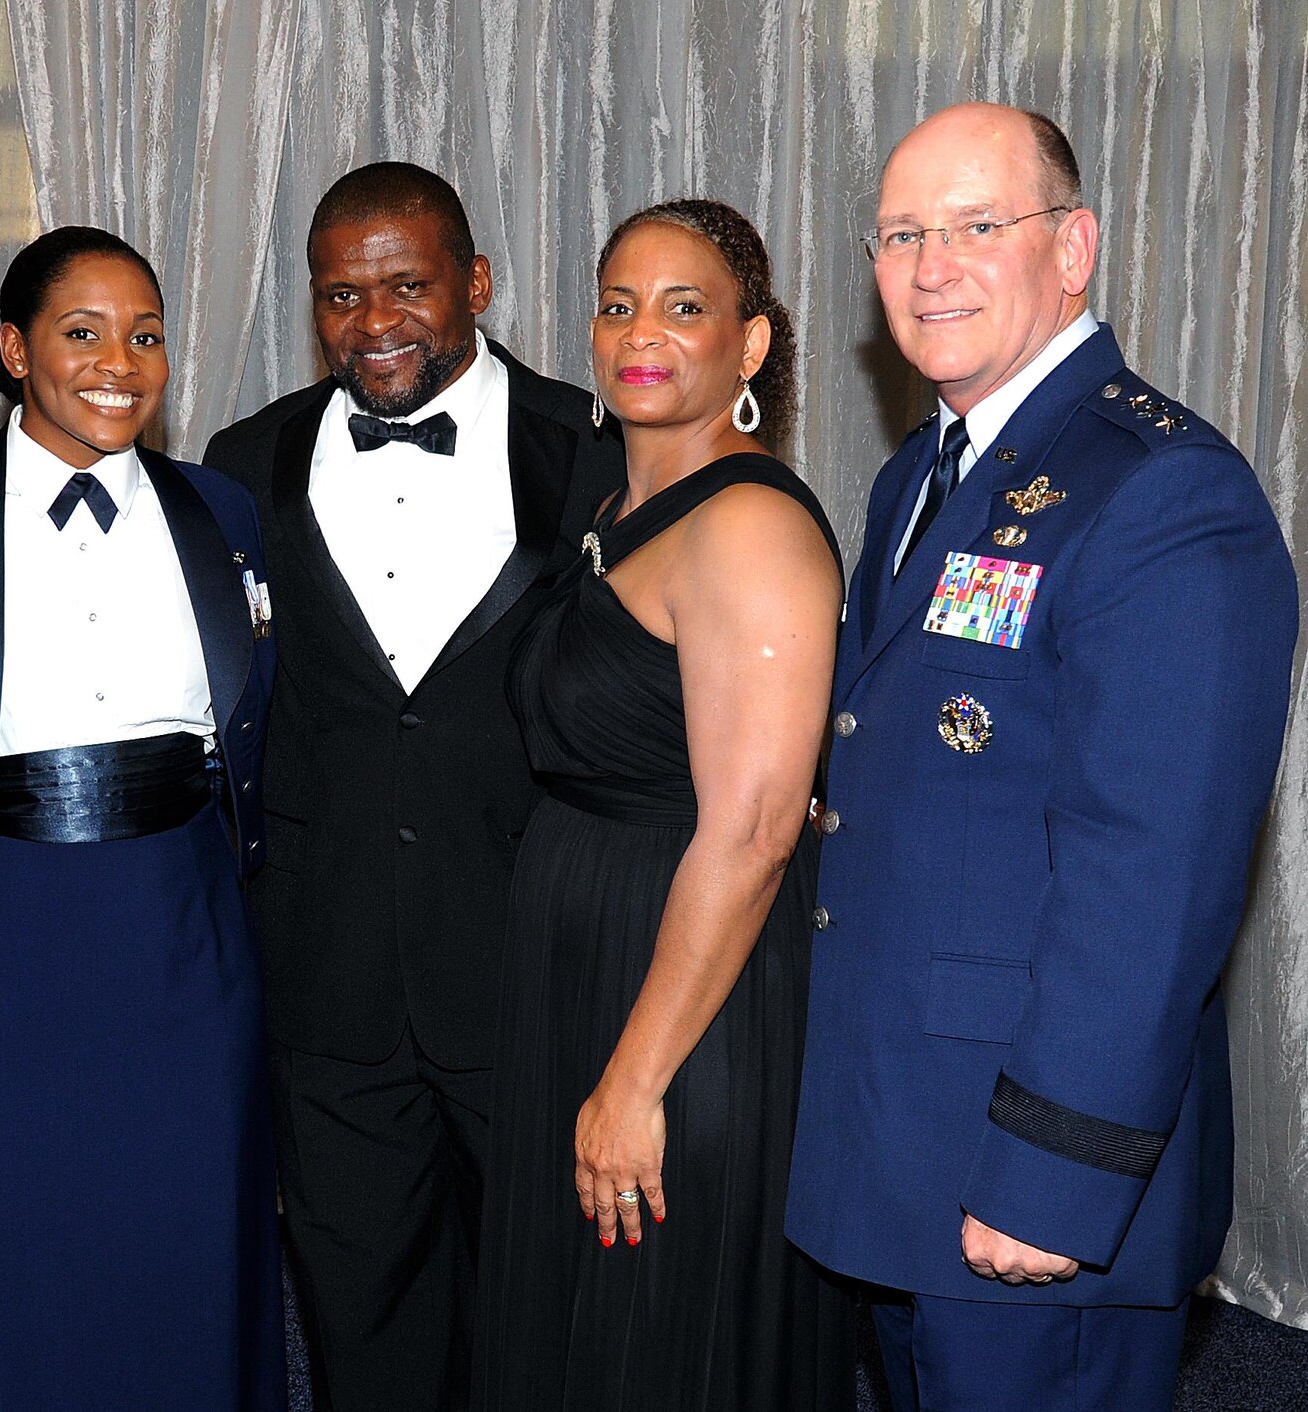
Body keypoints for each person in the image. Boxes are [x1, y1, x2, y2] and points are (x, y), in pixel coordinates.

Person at [786, 103, 1298, 1411]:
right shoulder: (924, 477)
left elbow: (1155, 875)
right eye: (900, 234)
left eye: (975, 225)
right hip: (909, 1144)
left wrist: (1056, 1175)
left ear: (1072, 249)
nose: (929, 264)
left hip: (1032, 1176)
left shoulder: (1161, 491)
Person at [203, 162, 623, 1410]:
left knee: (545, 1317)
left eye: (404, 285)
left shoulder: (594, 450)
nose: (372, 321)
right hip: (328, 974)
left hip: (527, 966)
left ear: (474, 283)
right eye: (340, 294)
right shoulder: (244, 460)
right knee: (357, 1314)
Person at [0, 226, 283, 1410]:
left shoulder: (221, 511)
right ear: (12, 349)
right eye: (81, 331)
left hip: (180, 923)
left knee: (182, 1223)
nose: (120, 360)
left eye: (145, 334)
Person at [471, 200, 855, 1410]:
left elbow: (749, 834)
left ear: (748, 348)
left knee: (655, 1339)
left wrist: (634, 1081)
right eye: (617, 303)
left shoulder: (748, 526)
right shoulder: (614, 512)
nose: (642, 331)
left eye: (684, 306)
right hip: (588, 960)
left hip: (684, 1000)